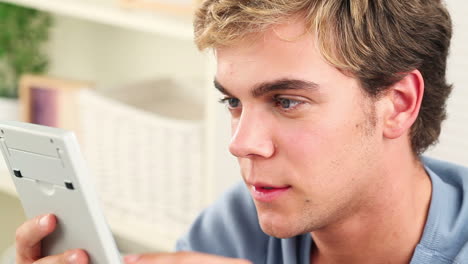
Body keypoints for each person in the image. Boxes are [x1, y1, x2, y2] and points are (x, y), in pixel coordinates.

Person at [15, 0, 468, 263]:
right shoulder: (237, 223)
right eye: (233, 101)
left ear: (399, 104)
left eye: (287, 101)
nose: (241, 143)